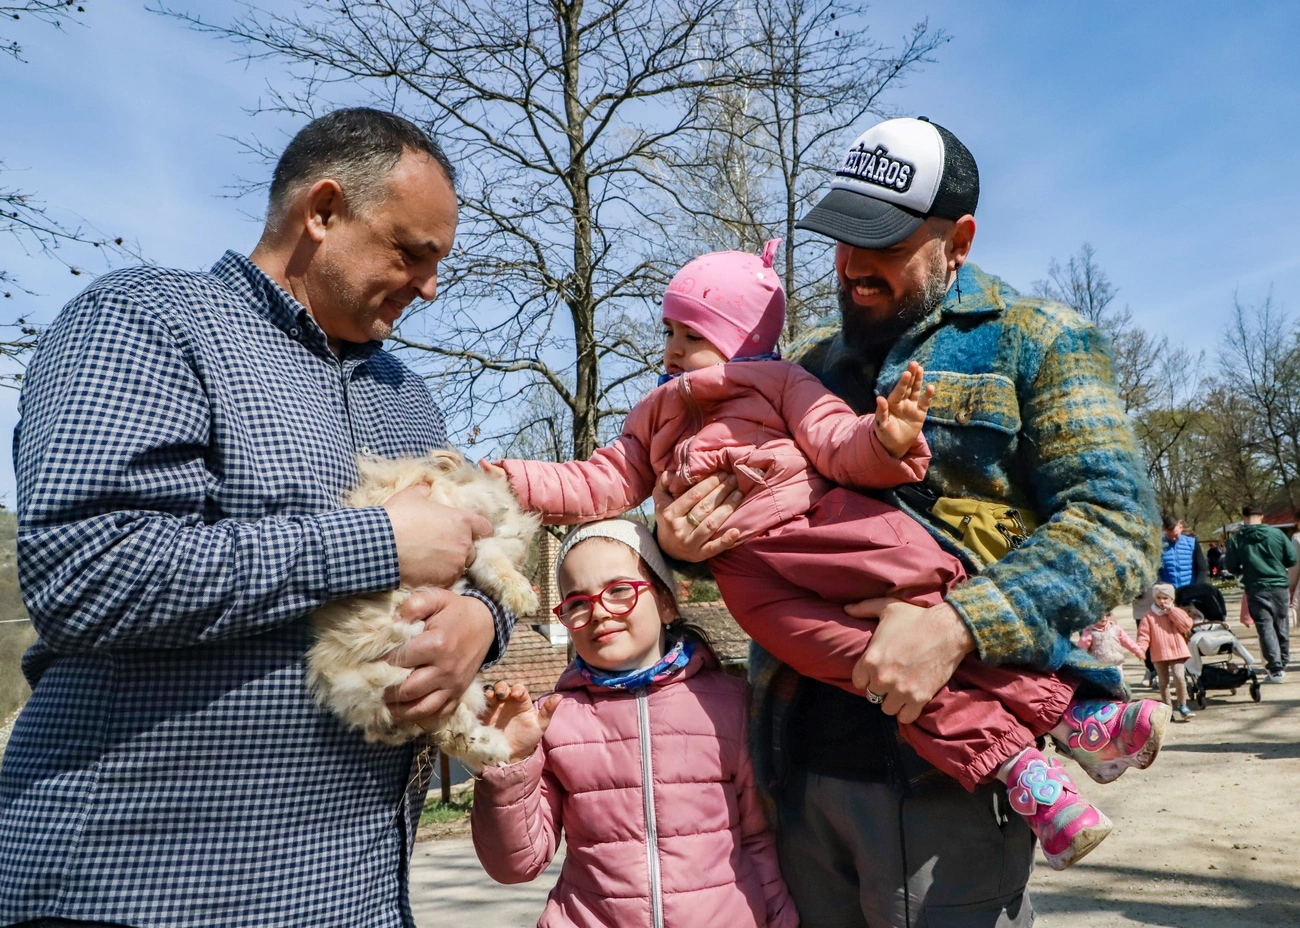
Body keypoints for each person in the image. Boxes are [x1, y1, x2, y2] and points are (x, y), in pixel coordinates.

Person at [494, 240, 1167, 869]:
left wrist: (891, 435)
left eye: (690, 335)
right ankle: (1025, 772)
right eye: (668, 332)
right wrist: (508, 483)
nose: (670, 351)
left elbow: (840, 446)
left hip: (829, 531)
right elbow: (600, 482)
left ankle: (1073, 710)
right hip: (758, 585)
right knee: (867, 664)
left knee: (928, 593)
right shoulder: (655, 415)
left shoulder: (785, 381)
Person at [0, 109, 516, 928]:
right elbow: (84, 573)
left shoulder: (406, 395)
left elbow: (473, 556)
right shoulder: (146, 320)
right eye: (412, 252)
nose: (430, 286)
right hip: (141, 892)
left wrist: (479, 624)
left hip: (360, 893)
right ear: (321, 210)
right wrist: (379, 543)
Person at [654, 116, 1160, 927]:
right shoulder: (801, 368)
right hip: (797, 769)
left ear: (958, 240)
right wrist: (684, 548)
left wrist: (957, 626)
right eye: (842, 238)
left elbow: (1116, 527)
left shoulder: (1039, 341)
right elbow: (764, 533)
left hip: (949, 793)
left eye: (882, 244)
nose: (851, 267)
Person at [470, 519, 798, 928]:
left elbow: (760, 841)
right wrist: (508, 763)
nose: (600, 612)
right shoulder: (553, 720)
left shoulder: (730, 705)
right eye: (577, 603)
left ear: (666, 603)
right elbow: (516, 864)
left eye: (620, 590)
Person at [1226, 505, 1297, 683]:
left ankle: (1275, 668)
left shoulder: (1238, 539)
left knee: (1265, 626)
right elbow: (1292, 558)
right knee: (1282, 623)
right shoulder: (1277, 535)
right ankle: (1284, 660)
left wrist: (1244, 568)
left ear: (1244, 518)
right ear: (1262, 516)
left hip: (1256, 587)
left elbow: (1231, 566)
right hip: (1279, 585)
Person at [1136, 584, 1196, 721]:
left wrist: (1172, 612)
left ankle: (1182, 705)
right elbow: (1143, 635)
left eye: (1165, 598)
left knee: (1179, 676)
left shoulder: (1177, 612)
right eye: (1158, 598)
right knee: (1163, 682)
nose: (1162, 601)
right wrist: (1141, 649)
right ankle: (1167, 708)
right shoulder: (1149, 616)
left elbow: (1186, 625)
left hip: (1177, 651)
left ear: (1171, 599)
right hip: (1159, 652)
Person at [1079, 612, 1145, 668]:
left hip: (1117, 663)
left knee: (1118, 682)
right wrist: (1079, 660)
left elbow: (1128, 641)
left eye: (1107, 614)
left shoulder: (1115, 628)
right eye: (1100, 615)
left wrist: (1138, 651)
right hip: (1100, 666)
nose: (1104, 617)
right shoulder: (1090, 632)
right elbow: (1081, 647)